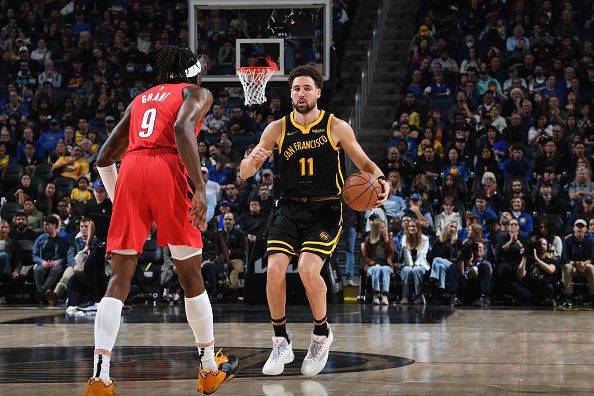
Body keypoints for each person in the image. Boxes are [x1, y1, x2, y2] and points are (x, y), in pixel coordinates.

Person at [85, 46, 238, 395]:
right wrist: (199, 186)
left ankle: (100, 376)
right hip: (168, 168)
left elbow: (104, 157)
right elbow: (183, 126)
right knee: (189, 273)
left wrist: (119, 197)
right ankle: (209, 368)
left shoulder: (139, 100)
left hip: (131, 170)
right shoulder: (196, 92)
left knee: (119, 278)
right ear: (195, 74)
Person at [239, 65, 389, 377]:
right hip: (287, 208)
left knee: (308, 270)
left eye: (307, 88)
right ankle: (280, 341)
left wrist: (381, 179)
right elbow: (248, 166)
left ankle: (321, 334)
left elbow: (363, 162)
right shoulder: (277, 129)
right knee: (275, 271)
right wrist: (249, 163)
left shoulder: (336, 127)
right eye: (296, 89)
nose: (301, 93)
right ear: (290, 93)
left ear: (318, 92)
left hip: (325, 209)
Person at [361, 219, 395, 305]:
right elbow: (365, 256)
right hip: (372, 264)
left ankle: (384, 295)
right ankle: (375, 295)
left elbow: (392, 253)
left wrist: (387, 241)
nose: (384, 229)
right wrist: (375, 264)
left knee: (385, 269)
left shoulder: (388, 238)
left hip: (386, 264)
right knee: (376, 270)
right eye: (382, 227)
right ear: (376, 229)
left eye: (385, 227)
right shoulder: (369, 240)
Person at [400, 218, 430, 304]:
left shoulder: (425, 239)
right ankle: (404, 296)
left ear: (418, 228)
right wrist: (410, 264)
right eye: (409, 226)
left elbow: (423, 254)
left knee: (416, 270)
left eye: (413, 226)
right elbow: (406, 253)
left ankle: (419, 296)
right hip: (408, 263)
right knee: (406, 270)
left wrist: (416, 264)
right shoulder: (405, 238)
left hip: (421, 263)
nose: (411, 228)